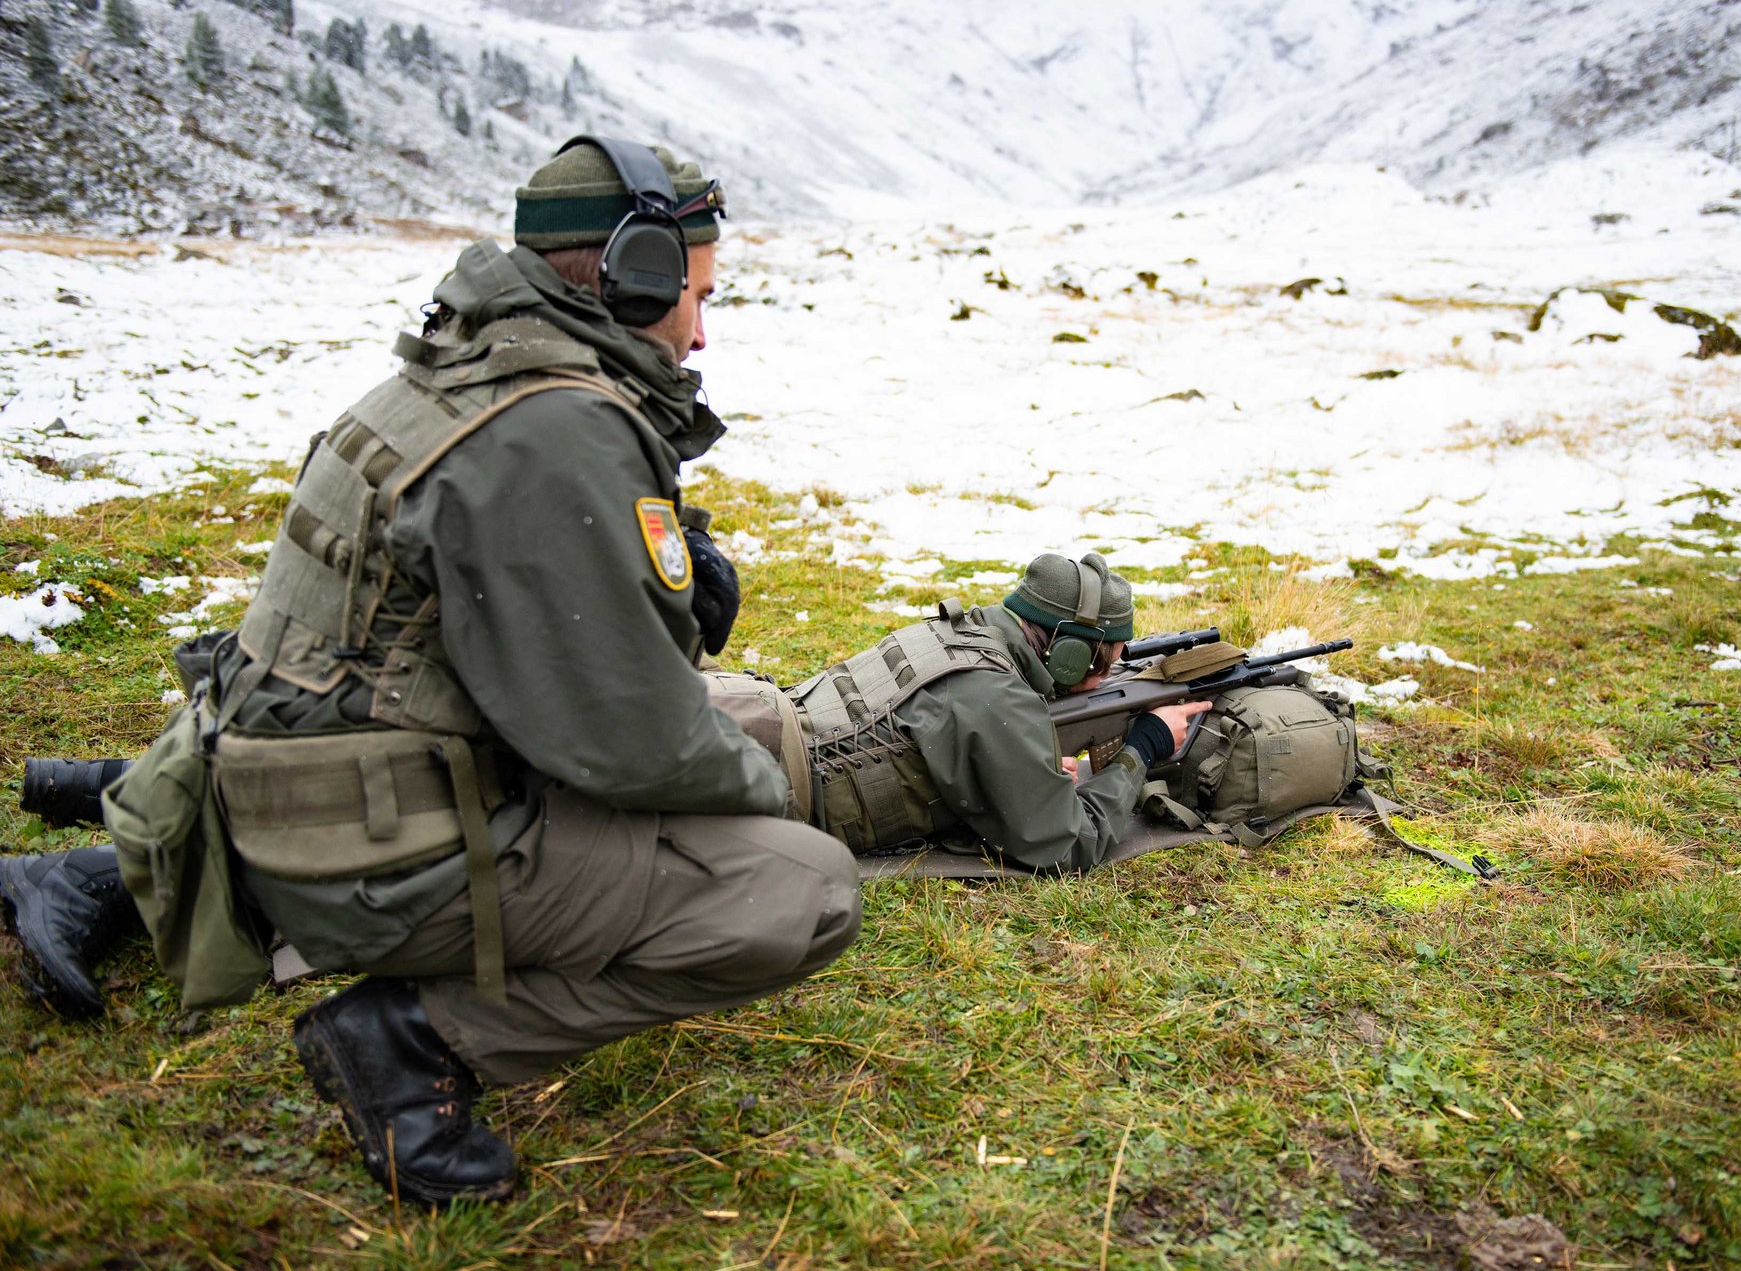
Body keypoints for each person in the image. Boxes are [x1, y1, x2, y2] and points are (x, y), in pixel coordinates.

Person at [0, 137, 860, 1208]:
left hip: (291, 785)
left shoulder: (462, 372)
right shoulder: (558, 426)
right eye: (694, 296)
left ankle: (105, 878)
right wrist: (763, 798)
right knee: (801, 884)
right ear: (634, 276)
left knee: (739, 715)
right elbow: (631, 738)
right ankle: (410, 1044)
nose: (699, 331)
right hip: (364, 847)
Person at [788, 551, 1210, 872]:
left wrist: (1029, 765)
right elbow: (1070, 844)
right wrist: (1144, 745)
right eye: (1101, 665)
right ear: (1068, 655)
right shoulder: (998, 696)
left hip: (777, 728)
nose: (1105, 677)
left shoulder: (958, 633)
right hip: (782, 803)